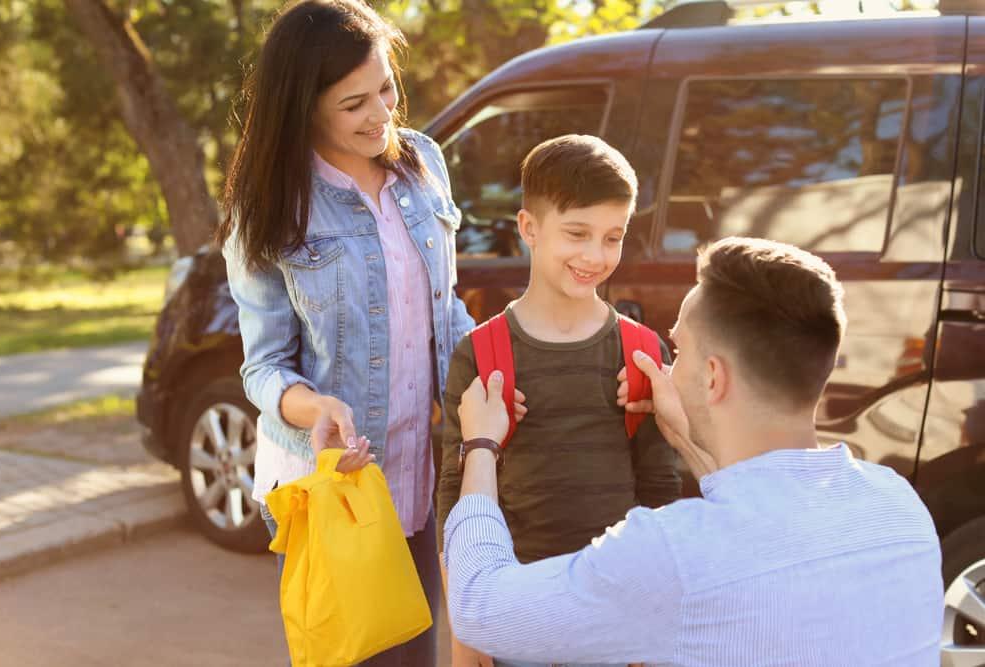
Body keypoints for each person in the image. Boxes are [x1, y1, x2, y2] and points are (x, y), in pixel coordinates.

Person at [443, 237, 944, 666]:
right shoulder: (900, 508)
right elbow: (760, 519)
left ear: (712, 377)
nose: (667, 368)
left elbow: (481, 607)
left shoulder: (675, 554)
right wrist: (683, 436)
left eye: (678, 353)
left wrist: (482, 444)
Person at [216, 1, 476, 663]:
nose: (382, 114)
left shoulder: (423, 162)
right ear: (303, 106)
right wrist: (319, 406)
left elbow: (445, 312)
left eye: (386, 87)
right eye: (354, 102)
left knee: (418, 649)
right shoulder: (271, 202)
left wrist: (496, 370)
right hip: (336, 480)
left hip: (423, 472)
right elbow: (264, 367)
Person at [437, 134, 682, 667]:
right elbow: (457, 496)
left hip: (616, 622)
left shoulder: (641, 351)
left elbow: (662, 492)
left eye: (612, 237)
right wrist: (464, 637)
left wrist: (652, 628)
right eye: (578, 234)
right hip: (515, 616)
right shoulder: (481, 354)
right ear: (529, 228)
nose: (595, 256)